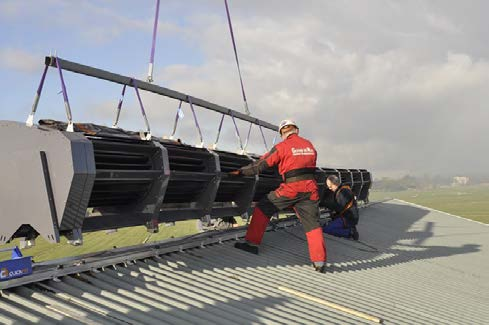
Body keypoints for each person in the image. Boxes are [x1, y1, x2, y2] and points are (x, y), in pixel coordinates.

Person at [230, 119, 328, 272]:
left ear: (283, 132)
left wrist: (242, 171)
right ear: (297, 130)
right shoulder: (309, 145)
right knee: (313, 224)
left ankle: (251, 244)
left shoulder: (283, 146)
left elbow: (261, 164)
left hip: (291, 188)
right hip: (310, 188)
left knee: (263, 207)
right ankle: (319, 262)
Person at [322, 175, 360, 240]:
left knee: (326, 229)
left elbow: (338, 207)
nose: (329, 189)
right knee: (327, 226)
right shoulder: (342, 189)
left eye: (330, 187)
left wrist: (324, 203)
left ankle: (350, 232)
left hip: (348, 218)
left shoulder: (343, 192)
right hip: (348, 216)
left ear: (334, 184)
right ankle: (349, 228)